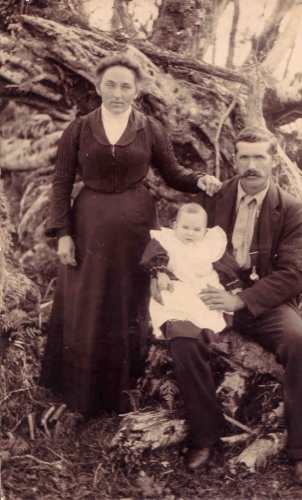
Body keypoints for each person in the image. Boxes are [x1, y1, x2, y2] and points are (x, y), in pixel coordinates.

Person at [40, 54, 221, 415]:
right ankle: (78, 394)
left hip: (136, 227)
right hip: (88, 225)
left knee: (127, 305)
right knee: (86, 304)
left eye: (126, 86)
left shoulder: (149, 128)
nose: (118, 93)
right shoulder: (78, 129)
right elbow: (61, 181)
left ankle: (121, 395)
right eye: (111, 84)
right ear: (97, 86)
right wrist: (62, 233)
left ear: (137, 91)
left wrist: (198, 179)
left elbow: (171, 172)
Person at [156, 126, 302, 484]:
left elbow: (292, 273)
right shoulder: (213, 198)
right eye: (244, 156)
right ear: (234, 159)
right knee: (182, 337)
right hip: (210, 293)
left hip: (263, 300)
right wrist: (162, 272)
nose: (251, 165)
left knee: (301, 344)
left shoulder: (289, 209)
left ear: (274, 161)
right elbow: (180, 242)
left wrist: (242, 299)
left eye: (260, 156)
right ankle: (205, 436)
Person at [141, 203, 239, 342]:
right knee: (176, 307)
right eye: (185, 227)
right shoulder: (169, 241)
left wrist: (232, 286)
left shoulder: (208, 247)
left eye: (197, 230)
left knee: (207, 313)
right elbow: (155, 256)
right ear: (175, 227)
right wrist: (161, 273)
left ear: (205, 232)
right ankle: (180, 329)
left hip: (204, 286)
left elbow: (224, 267)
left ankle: (207, 334)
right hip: (177, 286)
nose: (190, 233)